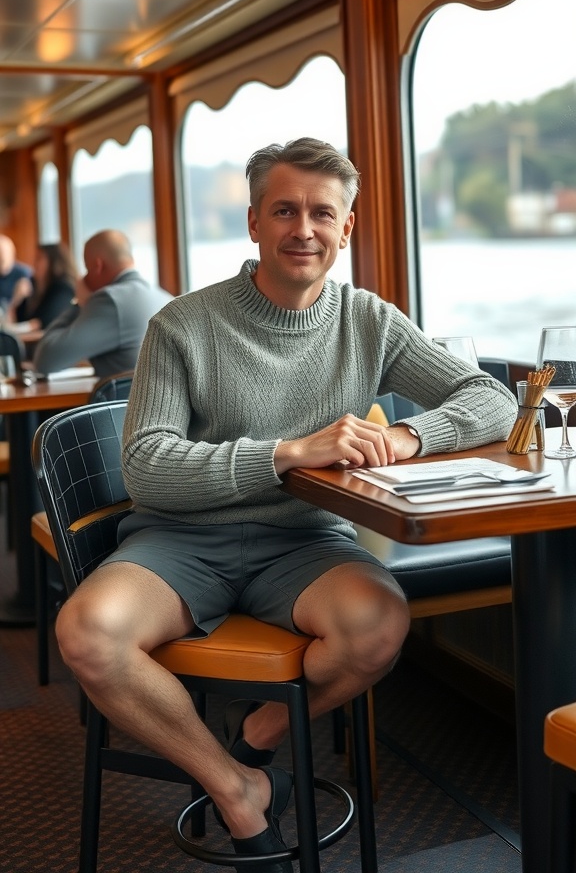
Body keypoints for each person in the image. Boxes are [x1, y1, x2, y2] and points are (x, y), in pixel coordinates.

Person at [55, 138, 517, 873]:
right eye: (284, 210)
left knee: (378, 628)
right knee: (86, 634)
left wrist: (404, 434)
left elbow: (493, 398)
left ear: (348, 227)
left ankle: (260, 739)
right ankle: (237, 789)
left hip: (305, 543)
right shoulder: (183, 325)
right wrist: (284, 453)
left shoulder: (368, 318)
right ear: (253, 223)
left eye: (321, 213)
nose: (304, 228)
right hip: (179, 541)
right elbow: (146, 468)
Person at [33, 229, 172, 377]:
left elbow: (45, 360)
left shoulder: (110, 300)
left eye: (87, 268)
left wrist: (79, 302)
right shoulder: (166, 298)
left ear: (97, 266)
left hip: (126, 400)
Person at [4, 242, 78, 342]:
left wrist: (9, 331)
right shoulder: (32, 287)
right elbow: (15, 320)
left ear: (53, 262)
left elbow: (41, 324)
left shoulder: (63, 289)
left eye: (39, 258)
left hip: (50, 345)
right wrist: (16, 299)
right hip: (28, 344)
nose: (34, 263)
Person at [0, 234, 32, 320]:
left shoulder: (25, 274)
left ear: (12, 254)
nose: (1, 258)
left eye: (3, 255)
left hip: (15, 319)